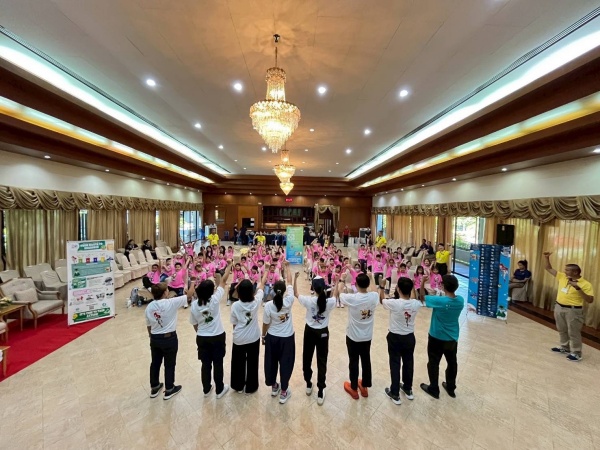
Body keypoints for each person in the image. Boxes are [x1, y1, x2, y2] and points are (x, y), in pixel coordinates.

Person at [189, 261, 232, 399]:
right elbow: (223, 281)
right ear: (210, 291)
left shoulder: (194, 305)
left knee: (205, 364)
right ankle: (219, 389)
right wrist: (230, 265)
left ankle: (206, 389)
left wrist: (201, 332)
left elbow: (194, 324)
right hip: (217, 336)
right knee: (218, 363)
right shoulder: (214, 300)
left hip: (202, 337)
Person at [145, 281, 195, 400]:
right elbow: (189, 295)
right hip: (169, 338)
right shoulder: (171, 303)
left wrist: (151, 337)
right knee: (169, 363)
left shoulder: (149, 307)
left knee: (155, 363)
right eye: (167, 290)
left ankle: (154, 387)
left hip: (155, 338)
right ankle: (169, 388)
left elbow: (148, 325)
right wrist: (193, 283)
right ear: (164, 293)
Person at [419, 274, 464, 399]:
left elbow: (422, 297)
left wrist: (422, 282)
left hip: (436, 337)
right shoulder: (460, 300)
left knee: (433, 363)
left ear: (443, 286)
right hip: (452, 338)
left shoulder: (440, 301)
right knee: (452, 363)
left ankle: (434, 388)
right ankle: (451, 387)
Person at [543, 252, 594, 361]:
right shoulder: (563, 277)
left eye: (567, 270)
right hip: (559, 307)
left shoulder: (586, 284)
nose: (564, 271)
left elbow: (590, 300)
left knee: (573, 332)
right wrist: (546, 258)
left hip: (573, 310)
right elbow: (548, 268)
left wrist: (578, 288)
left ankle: (576, 352)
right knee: (561, 329)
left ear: (575, 272)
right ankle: (564, 347)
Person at [379, 277, 423, 405]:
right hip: (409, 337)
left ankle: (395, 393)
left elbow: (382, 300)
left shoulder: (395, 303)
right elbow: (415, 298)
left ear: (398, 288)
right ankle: (408, 389)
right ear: (411, 289)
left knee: (395, 363)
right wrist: (413, 287)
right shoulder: (416, 304)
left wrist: (381, 287)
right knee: (409, 362)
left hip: (395, 337)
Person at [336, 272, 378, 400]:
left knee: (353, 361)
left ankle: (354, 388)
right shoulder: (374, 297)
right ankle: (364, 386)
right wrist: (371, 277)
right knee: (366, 360)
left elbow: (339, 293)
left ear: (356, 284)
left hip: (353, 336)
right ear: (368, 284)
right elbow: (375, 290)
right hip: (367, 336)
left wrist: (342, 279)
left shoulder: (353, 298)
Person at [297, 276, 336, 405]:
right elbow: (335, 296)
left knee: (307, 357)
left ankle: (308, 383)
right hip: (323, 332)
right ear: (324, 287)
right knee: (322, 360)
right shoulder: (329, 302)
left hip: (310, 331)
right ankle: (320, 390)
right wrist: (338, 283)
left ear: (313, 288)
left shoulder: (309, 301)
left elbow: (296, 294)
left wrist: (295, 279)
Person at [262, 262, 295, 404]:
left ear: (274, 291)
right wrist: (287, 267)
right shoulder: (289, 300)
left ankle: (274, 386)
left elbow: (265, 323)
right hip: (287, 338)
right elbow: (290, 282)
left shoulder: (269, 305)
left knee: (271, 362)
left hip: (272, 338)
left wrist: (263, 336)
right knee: (286, 363)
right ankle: (284, 391)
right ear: (284, 291)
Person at [230, 272, 266, 395]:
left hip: (239, 339)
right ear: (252, 291)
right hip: (253, 338)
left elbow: (234, 324)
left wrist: (236, 334)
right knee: (252, 362)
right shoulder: (256, 302)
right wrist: (266, 270)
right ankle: (251, 387)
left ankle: (238, 386)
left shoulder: (235, 305)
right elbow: (261, 285)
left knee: (238, 363)